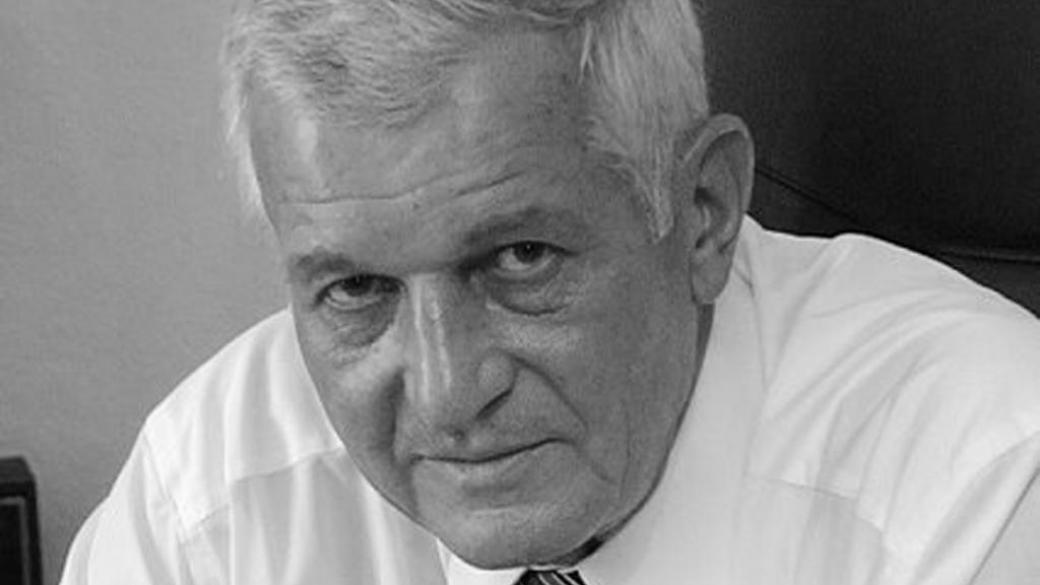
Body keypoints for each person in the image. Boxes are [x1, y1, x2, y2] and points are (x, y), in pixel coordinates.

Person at [60, 1, 1040, 583]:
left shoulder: (985, 475)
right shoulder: (211, 501)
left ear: (701, 211)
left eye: (519, 258)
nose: (447, 394)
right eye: (356, 287)